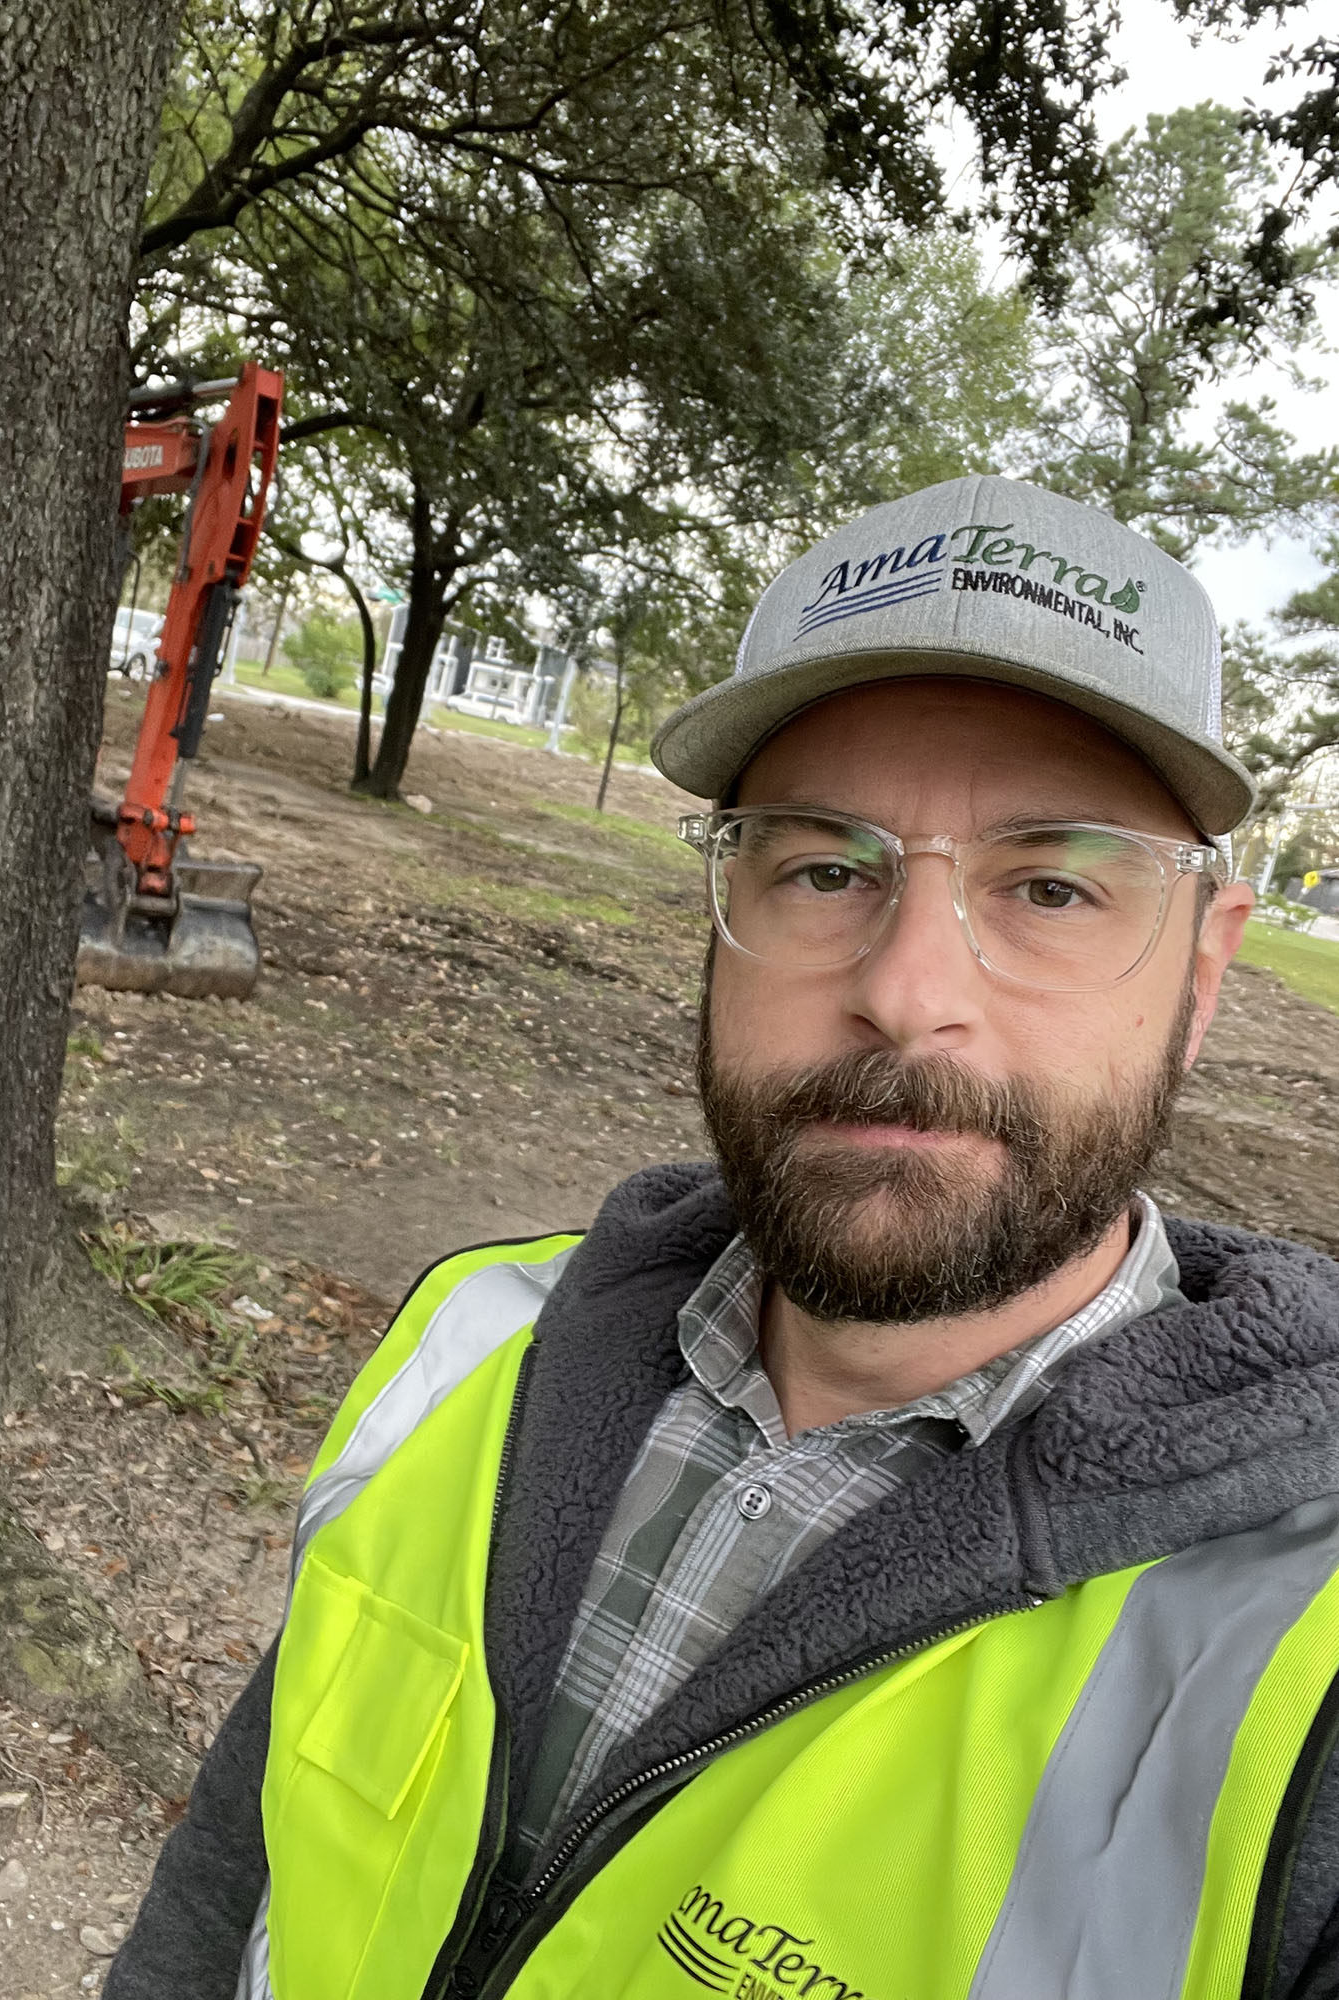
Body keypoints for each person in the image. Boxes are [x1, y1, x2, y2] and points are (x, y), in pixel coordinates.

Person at [105, 475, 1339, 2000]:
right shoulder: (480, 1342)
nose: (907, 990)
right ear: (724, 908)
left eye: (1052, 886)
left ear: (1204, 975)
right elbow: (249, 1851)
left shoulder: (1302, 1661)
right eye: (826, 868)